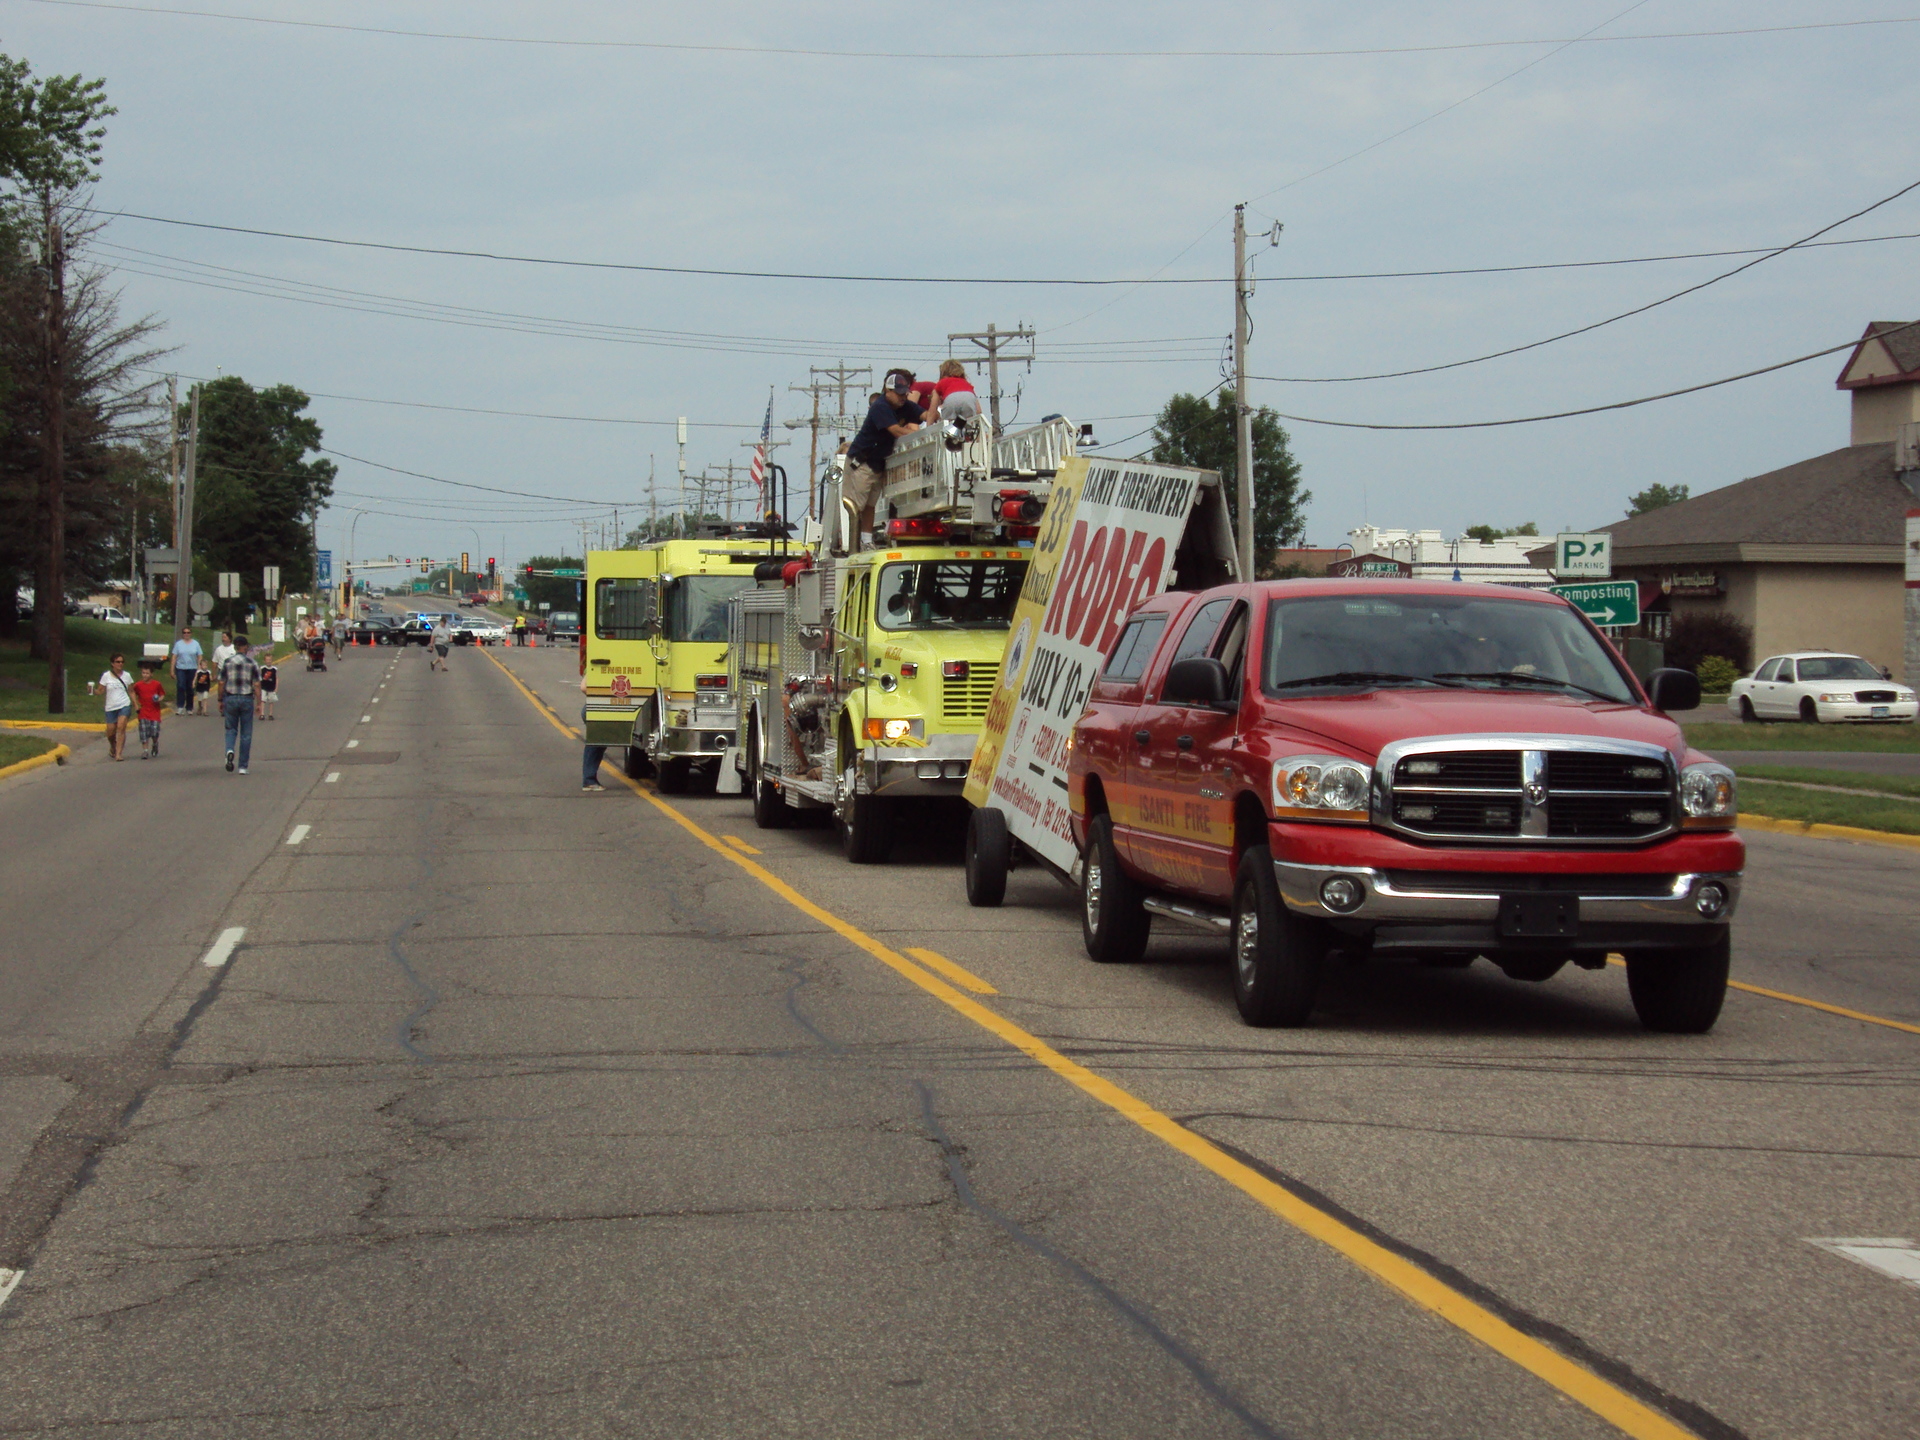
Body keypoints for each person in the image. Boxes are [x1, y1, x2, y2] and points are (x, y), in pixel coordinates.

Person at [842, 370, 924, 546]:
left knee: (870, 504)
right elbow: (895, 430)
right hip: (862, 463)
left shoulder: (905, 406)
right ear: (888, 391)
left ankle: (866, 540)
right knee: (856, 506)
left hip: (877, 464)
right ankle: (854, 543)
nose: (903, 397)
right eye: (899, 393)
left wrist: (936, 408)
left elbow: (924, 415)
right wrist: (918, 435)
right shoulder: (880, 407)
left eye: (905, 393)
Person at [218, 635, 262, 774]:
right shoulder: (252, 663)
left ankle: (229, 750)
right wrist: (259, 703)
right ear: (245, 647)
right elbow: (256, 684)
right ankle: (243, 766)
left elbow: (221, 682)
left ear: (236, 647)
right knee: (246, 733)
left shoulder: (227, 662)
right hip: (246, 698)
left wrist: (220, 699)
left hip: (230, 698)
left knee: (231, 729)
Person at [87, 653, 135, 761]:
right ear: (112, 663)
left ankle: (118, 754)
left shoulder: (127, 676)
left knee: (121, 727)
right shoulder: (106, 676)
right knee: (110, 732)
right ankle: (113, 746)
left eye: (122, 662)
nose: (120, 664)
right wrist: (92, 690)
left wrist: (136, 705)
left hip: (124, 704)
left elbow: (131, 691)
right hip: (111, 707)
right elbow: (100, 691)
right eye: (118, 662)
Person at [131, 662, 166, 758]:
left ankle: (155, 743)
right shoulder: (138, 685)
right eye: (143, 673)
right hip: (143, 712)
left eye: (147, 673)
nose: (145, 675)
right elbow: (132, 692)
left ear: (151, 674)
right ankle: (145, 751)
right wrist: (136, 704)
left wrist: (159, 699)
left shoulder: (157, 684)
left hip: (154, 712)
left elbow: (162, 694)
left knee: (154, 732)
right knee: (144, 732)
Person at [580, 675, 606, 791]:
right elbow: (584, 687)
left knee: (599, 743)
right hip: (595, 709)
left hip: (595, 709)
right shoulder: (596, 669)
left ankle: (590, 779)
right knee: (595, 742)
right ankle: (589, 780)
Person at [933, 358, 981, 422]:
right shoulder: (966, 383)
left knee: (948, 424)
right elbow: (978, 410)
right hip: (968, 397)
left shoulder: (942, 382)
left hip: (951, 399)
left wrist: (929, 425)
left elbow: (932, 409)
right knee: (969, 422)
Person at [170, 626, 202, 714]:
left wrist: (199, 667)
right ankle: (180, 706)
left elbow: (199, 656)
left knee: (190, 688)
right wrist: (172, 670)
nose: (186, 634)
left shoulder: (195, 644)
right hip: (180, 668)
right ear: (182, 634)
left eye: (188, 632)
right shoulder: (178, 644)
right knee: (181, 686)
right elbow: (174, 657)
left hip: (192, 668)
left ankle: (189, 708)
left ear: (191, 634)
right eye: (184, 632)